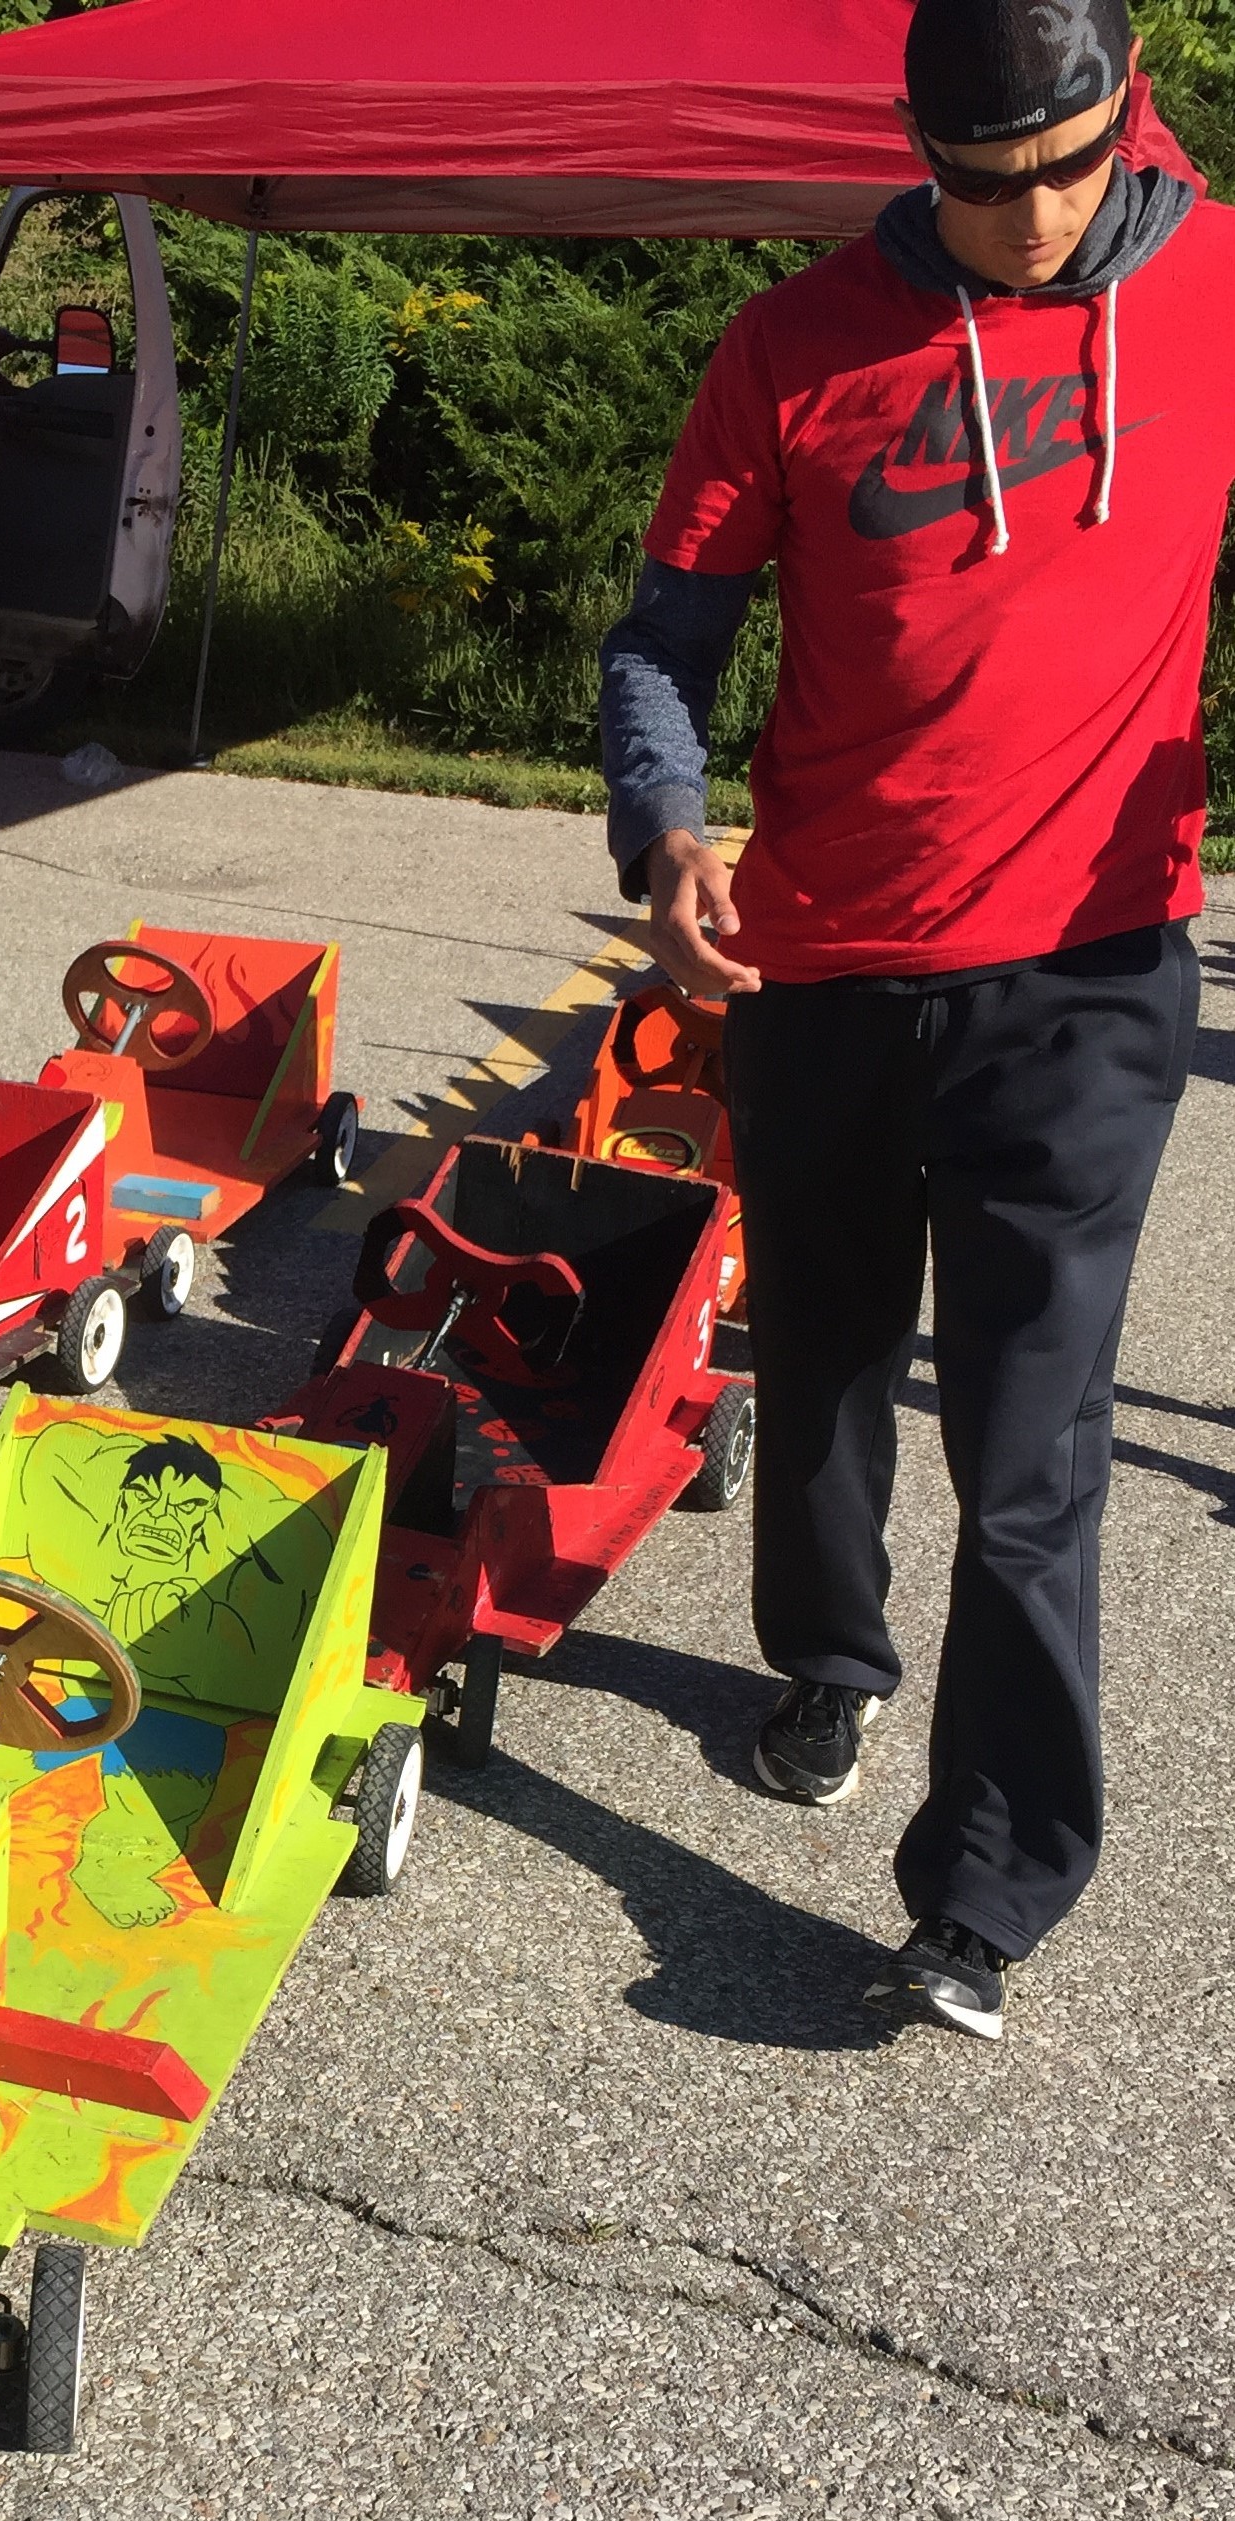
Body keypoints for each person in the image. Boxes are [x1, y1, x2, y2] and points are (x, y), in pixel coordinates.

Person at [599, 0, 1215, 2040]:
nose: (1033, 218)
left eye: (1065, 168)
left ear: (1126, 115)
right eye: (981, 183)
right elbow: (662, 643)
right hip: (824, 963)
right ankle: (827, 1662)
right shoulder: (792, 347)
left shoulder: (1215, 286)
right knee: (836, 1346)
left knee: (1030, 1440)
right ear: (915, 152)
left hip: (1089, 972)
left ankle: (990, 1877)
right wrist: (664, 827)